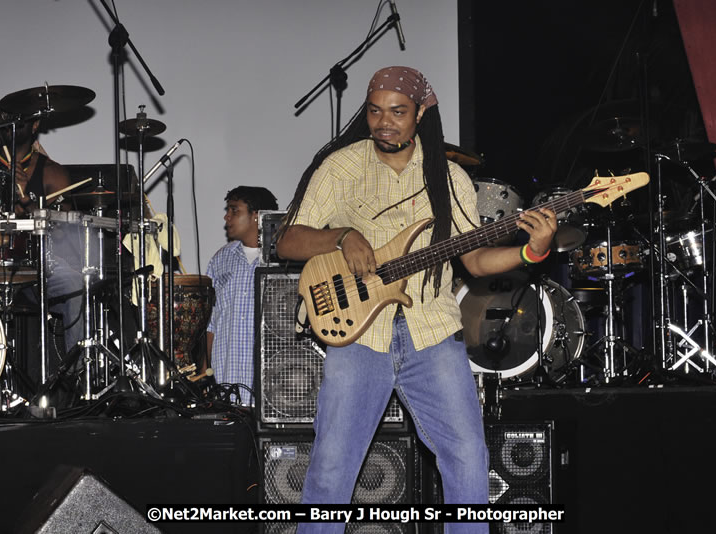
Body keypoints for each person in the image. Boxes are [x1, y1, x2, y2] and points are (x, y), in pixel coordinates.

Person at [276, 66, 557, 533]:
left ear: (421, 113)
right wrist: (341, 236)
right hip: (359, 335)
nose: (384, 122)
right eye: (374, 111)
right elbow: (287, 240)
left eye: (398, 112)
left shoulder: (449, 177)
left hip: (432, 331)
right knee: (332, 466)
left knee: (468, 457)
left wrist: (533, 250)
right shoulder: (341, 167)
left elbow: (475, 260)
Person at [0, 108, 84, 362]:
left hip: (37, 266)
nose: (10, 123)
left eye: (18, 118)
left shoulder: (52, 172)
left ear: (35, 124)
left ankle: (76, 373)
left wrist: (27, 201)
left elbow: (64, 236)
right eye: (4, 117)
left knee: (76, 285)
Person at [205, 186, 279, 405]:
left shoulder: (283, 259)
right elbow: (210, 324)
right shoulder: (220, 260)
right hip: (226, 382)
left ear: (257, 216)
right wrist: (205, 373)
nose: (226, 217)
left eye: (234, 210)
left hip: (273, 387)